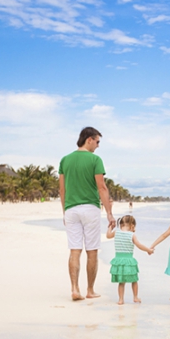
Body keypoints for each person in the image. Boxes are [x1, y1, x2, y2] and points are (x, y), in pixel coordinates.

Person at [59, 127, 116, 301]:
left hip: (71, 209)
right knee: (92, 251)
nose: (98, 146)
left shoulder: (65, 160)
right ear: (89, 139)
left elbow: (62, 189)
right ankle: (90, 290)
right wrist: (109, 213)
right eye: (97, 141)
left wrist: (64, 211)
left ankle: (75, 289)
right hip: (90, 209)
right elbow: (102, 187)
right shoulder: (95, 160)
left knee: (74, 250)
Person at [106, 215, 153, 305]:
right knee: (134, 280)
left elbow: (108, 235)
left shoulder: (116, 232)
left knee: (121, 282)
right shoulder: (132, 235)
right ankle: (135, 297)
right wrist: (148, 250)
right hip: (129, 261)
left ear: (121, 225)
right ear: (132, 225)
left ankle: (120, 299)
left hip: (119, 261)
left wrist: (110, 227)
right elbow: (139, 245)